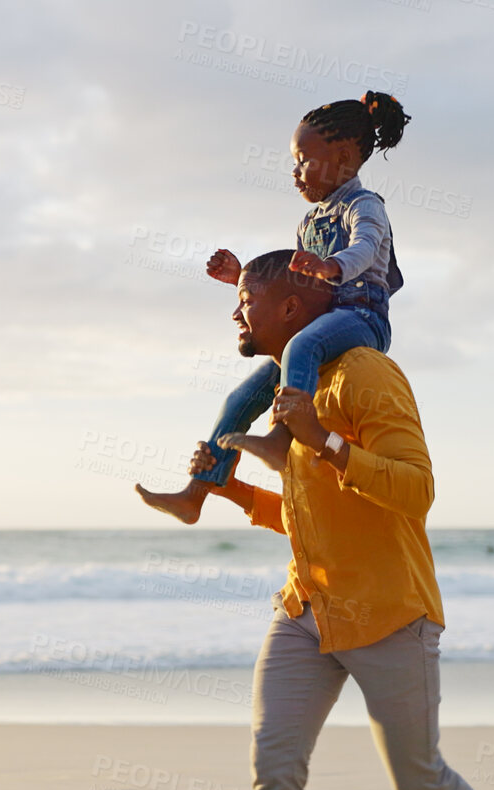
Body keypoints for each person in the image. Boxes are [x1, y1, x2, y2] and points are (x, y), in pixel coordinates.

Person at [186, 252, 494, 790]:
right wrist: (235, 496)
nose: (235, 314)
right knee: (273, 768)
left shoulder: (368, 377)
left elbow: (415, 492)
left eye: (247, 299)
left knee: (416, 776)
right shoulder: (300, 385)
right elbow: (309, 515)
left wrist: (325, 441)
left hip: (386, 612)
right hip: (304, 610)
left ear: (291, 309)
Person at [139, 92, 409, 524]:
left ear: (342, 157)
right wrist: (242, 276)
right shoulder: (308, 223)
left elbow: (365, 248)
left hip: (363, 318)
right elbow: (293, 287)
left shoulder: (365, 207)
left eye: (303, 160)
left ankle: (281, 438)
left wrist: (330, 266)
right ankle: (197, 492)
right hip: (319, 325)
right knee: (242, 396)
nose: (295, 172)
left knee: (300, 347)